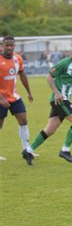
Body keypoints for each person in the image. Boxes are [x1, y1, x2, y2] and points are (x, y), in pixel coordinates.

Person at [30, 39, 72, 163]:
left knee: (50, 129)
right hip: (60, 99)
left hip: (64, 100)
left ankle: (28, 150)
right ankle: (65, 150)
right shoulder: (64, 63)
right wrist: (57, 93)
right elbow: (49, 77)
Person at [0, 36, 35, 165]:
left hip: (14, 97)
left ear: (14, 46)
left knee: (23, 120)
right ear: (2, 46)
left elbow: (22, 74)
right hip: (1, 98)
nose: (9, 48)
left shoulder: (17, 59)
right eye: (7, 45)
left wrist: (29, 92)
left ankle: (26, 149)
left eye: (11, 45)